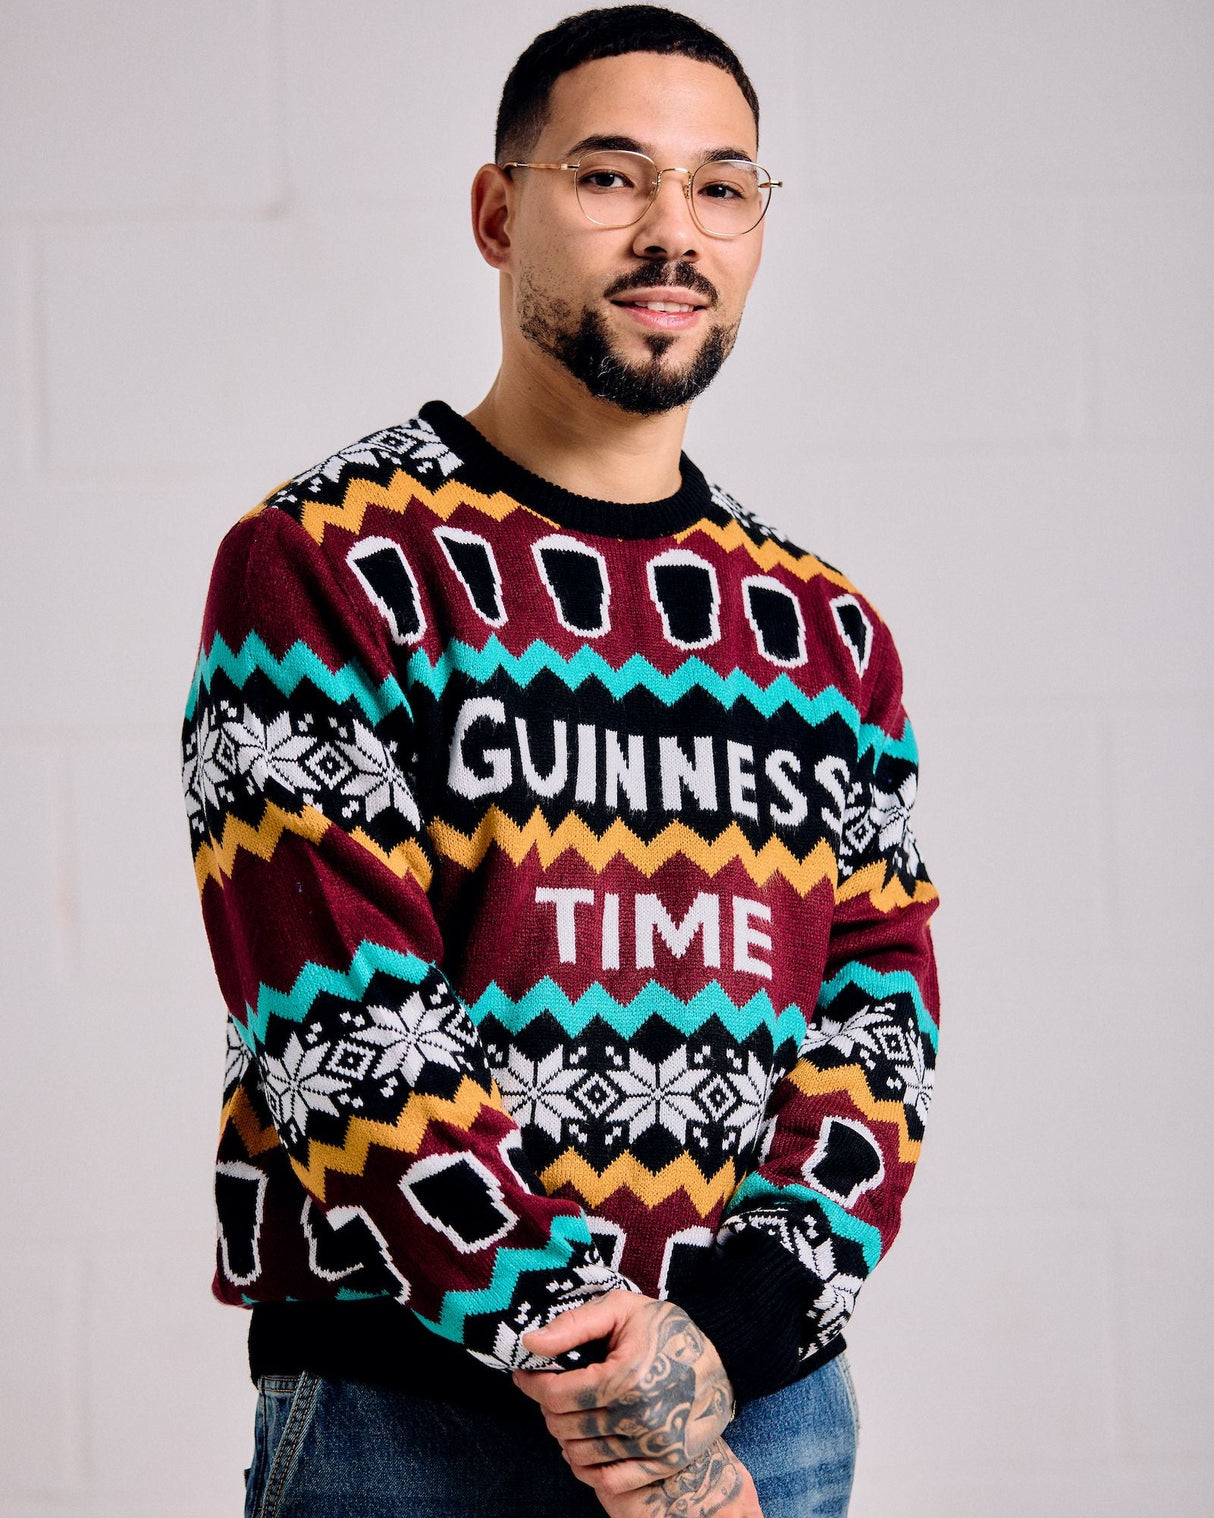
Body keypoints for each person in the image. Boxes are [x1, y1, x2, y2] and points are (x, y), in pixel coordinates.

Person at [180, 6, 940, 1516]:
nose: (673, 232)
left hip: (760, 1408)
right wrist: (595, 1362)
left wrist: (716, 1346)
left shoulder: (824, 626)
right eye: (610, 178)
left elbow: (882, 1018)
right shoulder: (320, 561)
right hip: (414, 1415)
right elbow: (340, 1022)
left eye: (722, 188)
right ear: (495, 210)